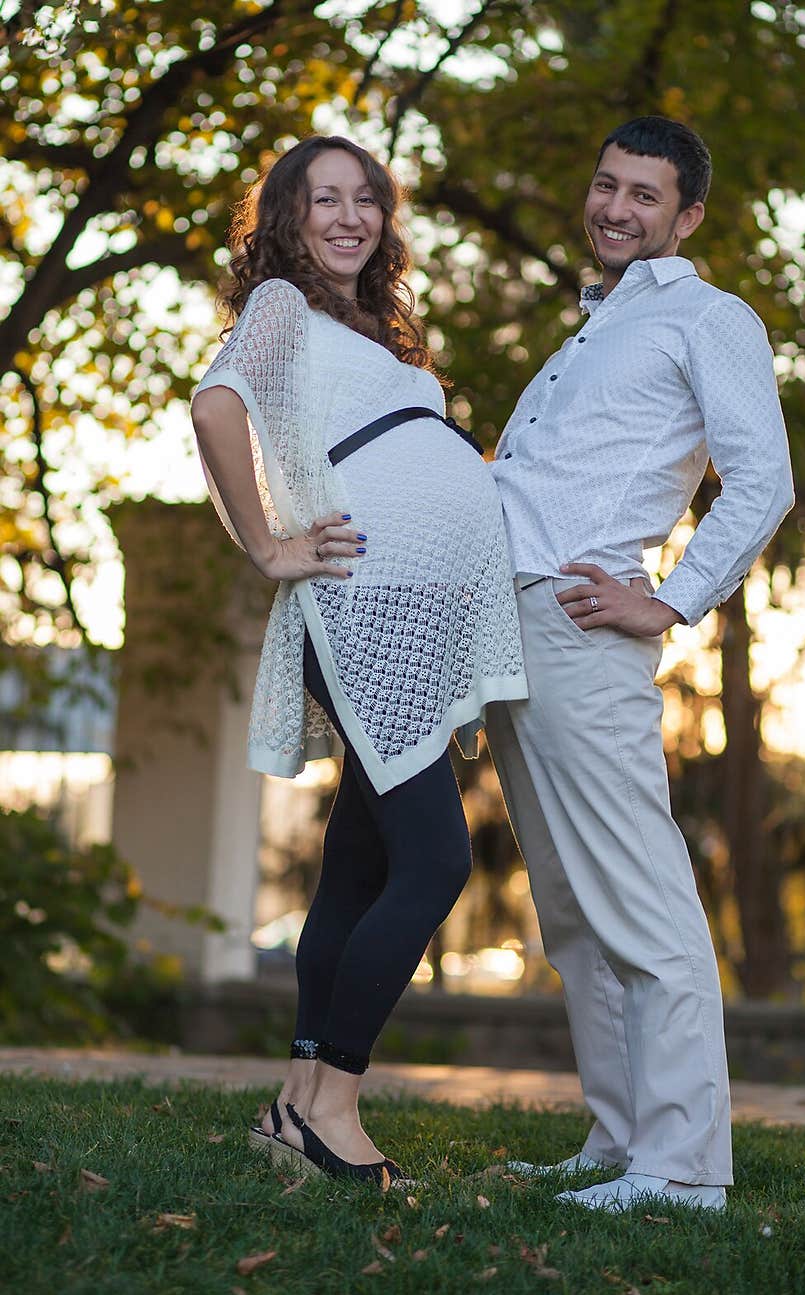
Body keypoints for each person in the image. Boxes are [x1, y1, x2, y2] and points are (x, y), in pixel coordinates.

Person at [190, 135, 527, 1186]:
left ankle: (297, 1095)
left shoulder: (369, 329)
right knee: (433, 861)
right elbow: (214, 408)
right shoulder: (281, 306)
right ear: (284, 217)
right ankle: (335, 1106)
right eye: (322, 199)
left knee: (359, 861)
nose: (348, 217)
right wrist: (267, 546)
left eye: (365, 200)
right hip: (364, 605)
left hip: (411, 612)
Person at [485, 116, 794, 1212]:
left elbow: (761, 480)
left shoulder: (709, 317)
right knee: (571, 906)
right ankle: (617, 1139)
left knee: (643, 898)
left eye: (644, 196)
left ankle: (683, 1169)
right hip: (507, 620)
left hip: (582, 626)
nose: (615, 207)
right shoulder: (593, 328)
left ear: (687, 215)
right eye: (606, 185)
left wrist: (665, 599)